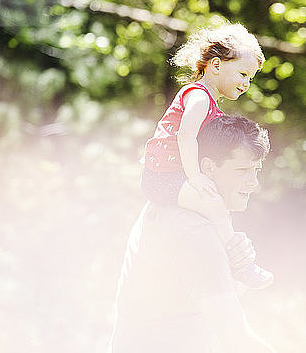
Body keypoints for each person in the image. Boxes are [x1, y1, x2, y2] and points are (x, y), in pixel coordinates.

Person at [108, 115, 277, 353]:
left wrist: (236, 266)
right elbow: (235, 337)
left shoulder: (175, 206)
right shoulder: (193, 230)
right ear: (208, 167)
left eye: (256, 170)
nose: (253, 183)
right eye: (242, 170)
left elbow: (209, 293)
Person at [141, 23, 273, 288]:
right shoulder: (199, 97)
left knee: (215, 203)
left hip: (172, 175)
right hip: (163, 179)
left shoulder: (209, 101)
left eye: (250, 78)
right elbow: (185, 136)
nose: (246, 83)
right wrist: (196, 178)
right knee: (212, 202)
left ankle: (231, 255)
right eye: (243, 74)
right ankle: (241, 265)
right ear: (216, 65)